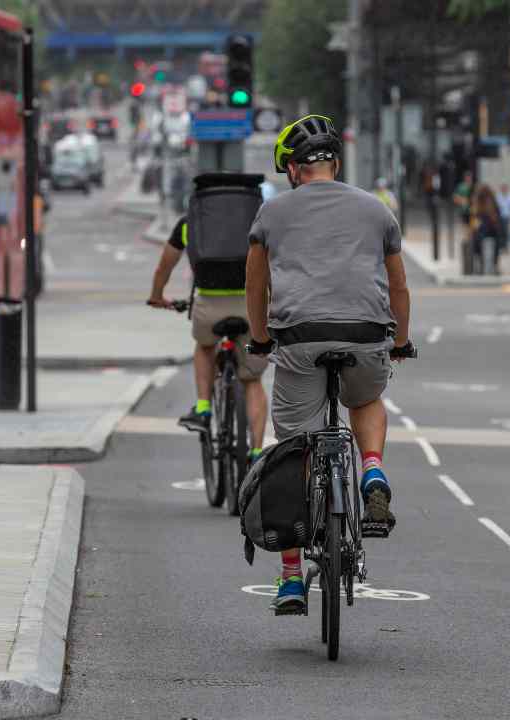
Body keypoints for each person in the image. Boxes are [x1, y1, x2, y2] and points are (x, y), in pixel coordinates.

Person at [245, 114, 414, 614]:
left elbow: (255, 286)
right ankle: (373, 473)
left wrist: (259, 339)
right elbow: (399, 286)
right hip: (365, 335)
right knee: (365, 397)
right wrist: (400, 342)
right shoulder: (377, 210)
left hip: (299, 338)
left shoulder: (271, 214)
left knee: (295, 450)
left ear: (293, 170)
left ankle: (293, 578)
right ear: (335, 164)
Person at [147, 214, 270, 460]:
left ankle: (203, 409)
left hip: (209, 302)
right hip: (250, 303)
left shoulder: (189, 223)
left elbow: (165, 265)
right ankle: (257, 453)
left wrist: (157, 296)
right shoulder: (257, 221)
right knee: (252, 380)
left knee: (204, 347)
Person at [469, 184, 503, 275]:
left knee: (476, 244)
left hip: (482, 230)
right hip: (492, 230)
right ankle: (495, 266)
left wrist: (472, 231)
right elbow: (498, 218)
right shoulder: (493, 203)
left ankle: (478, 266)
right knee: (496, 246)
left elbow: (474, 218)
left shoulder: (477, 203)